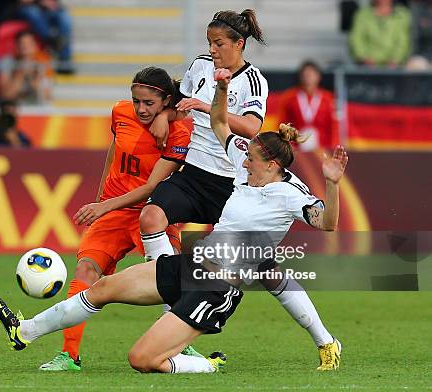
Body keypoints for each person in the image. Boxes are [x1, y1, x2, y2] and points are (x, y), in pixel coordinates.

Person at [0, 67, 348, 373]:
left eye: (251, 158)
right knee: (102, 288)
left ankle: (206, 365)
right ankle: (24, 331)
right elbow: (221, 122)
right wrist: (221, 88)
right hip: (193, 265)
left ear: (271, 165)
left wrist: (331, 185)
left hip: (218, 287)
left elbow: (327, 222)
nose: (242, 161)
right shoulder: (245, 163)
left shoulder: (291, 194)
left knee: (141, 359)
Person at [138, 10, 339, 370]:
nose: (212, 50)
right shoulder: (200, 66)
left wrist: (208, 104)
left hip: (232, 181)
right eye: (209, 43)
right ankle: (172, 309)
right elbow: (179, 107)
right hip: (195, 171)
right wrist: (162, 118)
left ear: (238, 44)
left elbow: (250, 126)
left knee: (267, 270)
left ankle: (325, 340)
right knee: (152, 215)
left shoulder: (255, 82)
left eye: (219, 44)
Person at [35, 66, 192, 371]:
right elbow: (114, 150)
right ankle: (69, 355)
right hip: (113, 210)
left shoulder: (180, 132)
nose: (141, 108)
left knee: (169, 278)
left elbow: (152, 187)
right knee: (86, 269)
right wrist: (101, 198)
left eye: (149, 103)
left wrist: (104, 207)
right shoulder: (120, 113)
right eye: (137, 101)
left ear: (166, 101)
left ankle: (183, 349)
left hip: (153, 213)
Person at [279, 60, 337, 151]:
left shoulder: (328, 99)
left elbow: (333, 126)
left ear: (318, 77)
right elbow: (283, 124)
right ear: (300, 77)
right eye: (305, 75)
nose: (308, 78)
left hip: (323, 148)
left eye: (311, 75)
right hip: (296, 149)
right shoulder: (290, 98)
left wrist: (333, 148)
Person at [14, 0, 74, 74]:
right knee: (33, 12)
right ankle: (51, 42)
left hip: (44, 10)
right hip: (27, 8)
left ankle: (64, 58)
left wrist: (50, 4)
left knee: (65, 17)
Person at [349, 0, 412, 67]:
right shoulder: (362, 15)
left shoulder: (402, 15)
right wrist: (364, 58)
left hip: (395, 66)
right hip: (367, 65)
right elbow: (356, 39)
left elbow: (403, 41)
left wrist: (395, 60)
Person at [0, 30, 53, 104]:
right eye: (21, 43)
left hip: (37, 108)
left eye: (29, 44)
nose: (25, 47)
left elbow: (47, 97)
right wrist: (20, 74)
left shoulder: (43, 61)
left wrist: (35, 78)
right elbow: (5, 96)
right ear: (16, 46)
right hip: (15, 106)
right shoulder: (8, 61)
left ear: (36, 45)